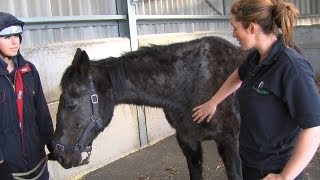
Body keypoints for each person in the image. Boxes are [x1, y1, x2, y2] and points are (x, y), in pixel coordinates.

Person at [192, 0, 320, 179]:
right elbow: (237, 76)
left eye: (235, 27)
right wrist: (213, 102)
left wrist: (284, 177)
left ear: (252, 27)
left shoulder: (291, 67)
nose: (233, 33)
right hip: (250, 161)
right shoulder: (256, 58)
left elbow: (313, 129)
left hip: (275, 168)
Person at [0, 12, 55, 179]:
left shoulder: (29, 71)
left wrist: (52, 143)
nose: (14, 40)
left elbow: (42, 112)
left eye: (16, 35)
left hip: (37, 163)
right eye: (7, 36)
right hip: (9, 169)